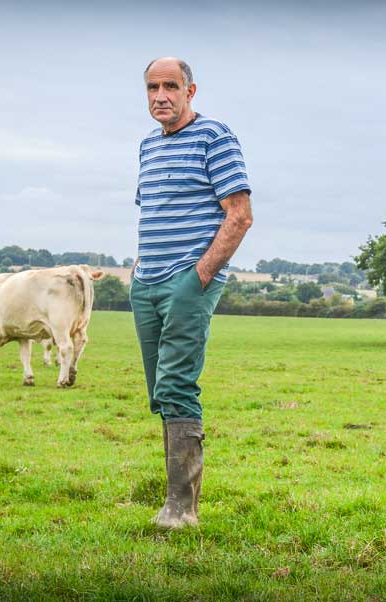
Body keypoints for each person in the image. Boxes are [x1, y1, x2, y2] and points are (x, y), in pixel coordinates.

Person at [130, 57, 253, 529]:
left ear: (190, 91)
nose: (160, 95)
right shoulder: (146, 146)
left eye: (170, 87)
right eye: (152, 87)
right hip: (147, 283)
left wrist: (199, 275)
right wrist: (140, 270)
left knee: (177, 384)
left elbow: (239, 214)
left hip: (187, 280)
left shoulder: (214, 137)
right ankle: (171, 499)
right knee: (160, 391)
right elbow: (153, 212)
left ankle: (182, 509)